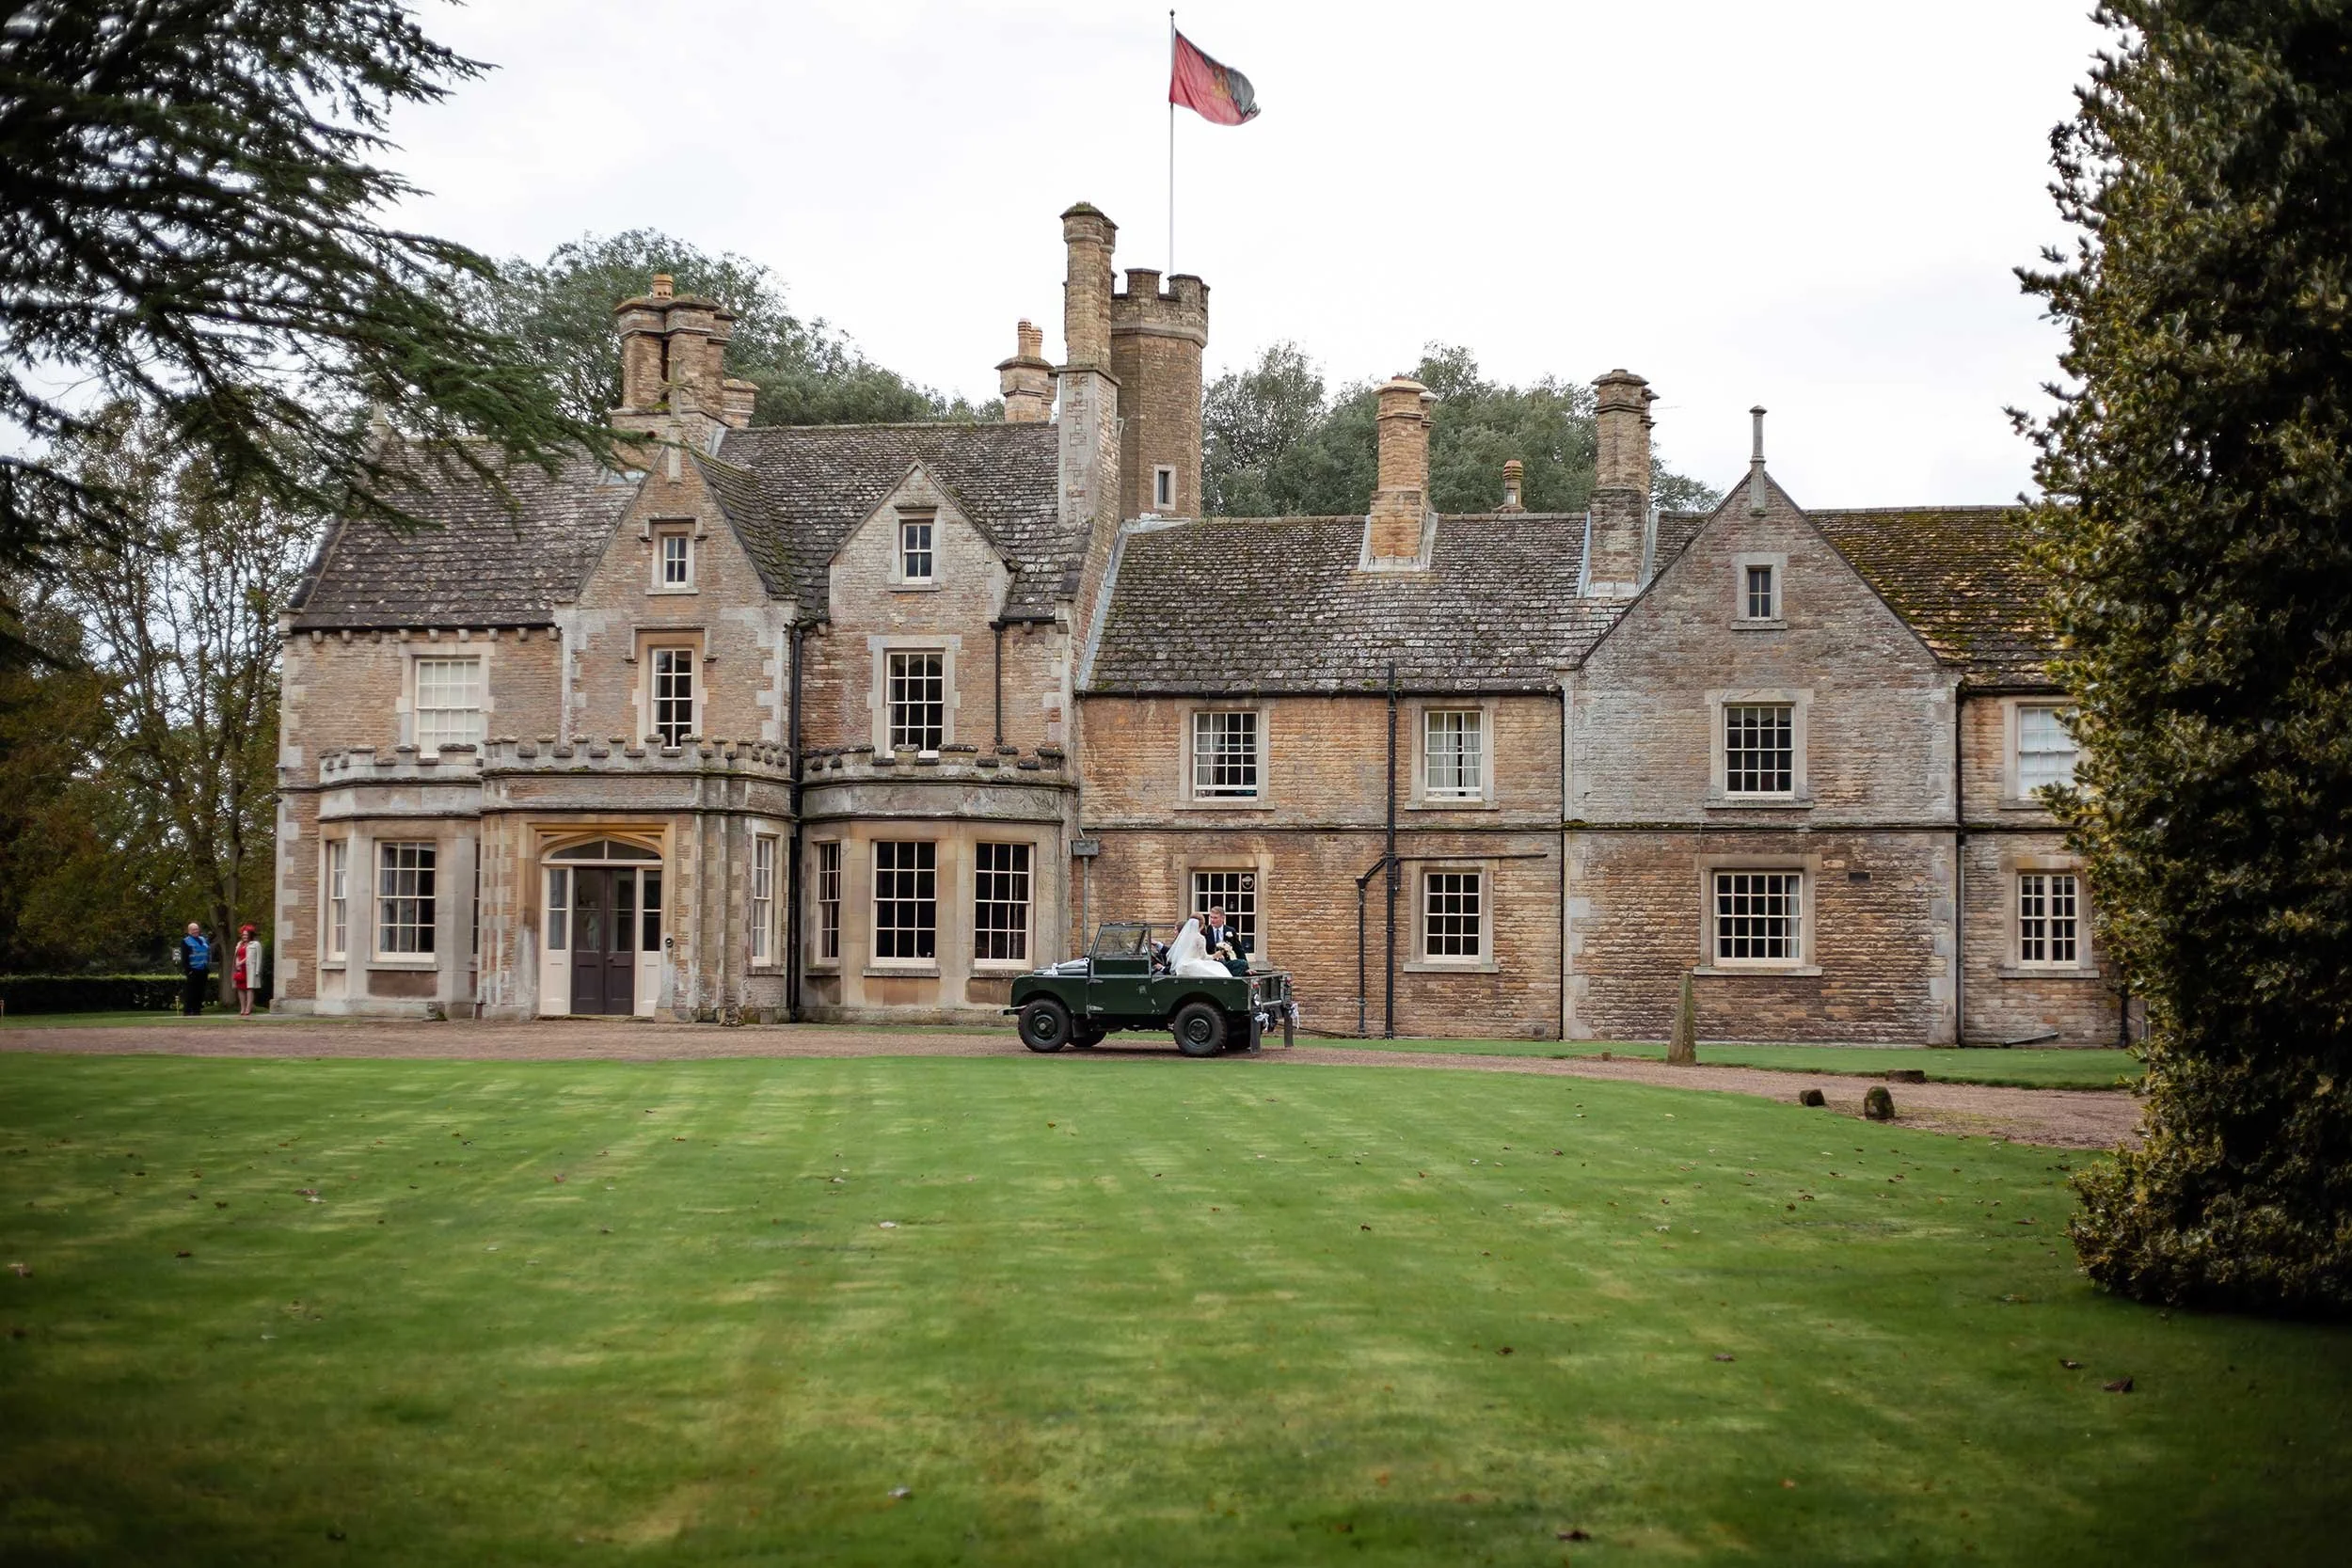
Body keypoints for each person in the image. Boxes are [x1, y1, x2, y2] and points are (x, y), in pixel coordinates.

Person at [1200, 905, 1251, 975]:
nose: (1212, 920)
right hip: (1209, 963)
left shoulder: (1230, 931)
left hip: (1226, 963)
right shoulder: (1205, 931)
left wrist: (1247, 968)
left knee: (1242, 963)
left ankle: (1231, 982)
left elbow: (1239, 950)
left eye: (1215, 918)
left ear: (1223, 918)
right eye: (1211, 917)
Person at [178, 922, 212, 1017]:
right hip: (193, 970)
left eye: (197, 929)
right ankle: (187, 1011)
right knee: (191, 991)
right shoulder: (186, 941)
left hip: (203, 969)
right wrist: (188, 970)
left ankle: (197, 1010)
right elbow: (184, 958)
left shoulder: (203, 939)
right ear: (189, 931)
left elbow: (207, 953)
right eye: (193, 930)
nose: (195, 931)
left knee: (200, 991)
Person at [232, 924, 262, 1018]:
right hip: (240, 969)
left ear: (250, 935)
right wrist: (237, 963)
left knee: (249, 988)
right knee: (240, 988)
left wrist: (257, 970)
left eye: (246, 935)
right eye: (243, 934)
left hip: (250, 969)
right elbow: (237, 955)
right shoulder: (239, 944)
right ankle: (242, 1008)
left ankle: (248, 1008)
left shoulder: (256, 944)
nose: (244, 936)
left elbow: (257, 958)